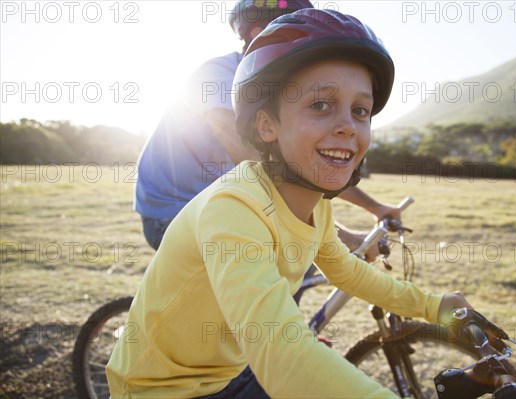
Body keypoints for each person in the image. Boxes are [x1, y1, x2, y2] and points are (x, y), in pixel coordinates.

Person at [106, 9, 493, 398]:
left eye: (360, 110)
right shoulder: (233, 208)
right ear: (266, 126)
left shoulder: (316, 208)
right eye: (321, 105)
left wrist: (434, 304)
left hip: (227, 373)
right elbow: (284, 361)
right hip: (158, 389)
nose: (347, 126)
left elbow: (348, 272)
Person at [134, 0, 403, 260]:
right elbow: (258, 157)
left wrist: (374, 207)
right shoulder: (219, 74)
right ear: (256, 33)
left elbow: (308, 160)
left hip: (222, 199)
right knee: (287, 258)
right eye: (293, 32)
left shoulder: (278, 85)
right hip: (174, 210)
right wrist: (339, 235)